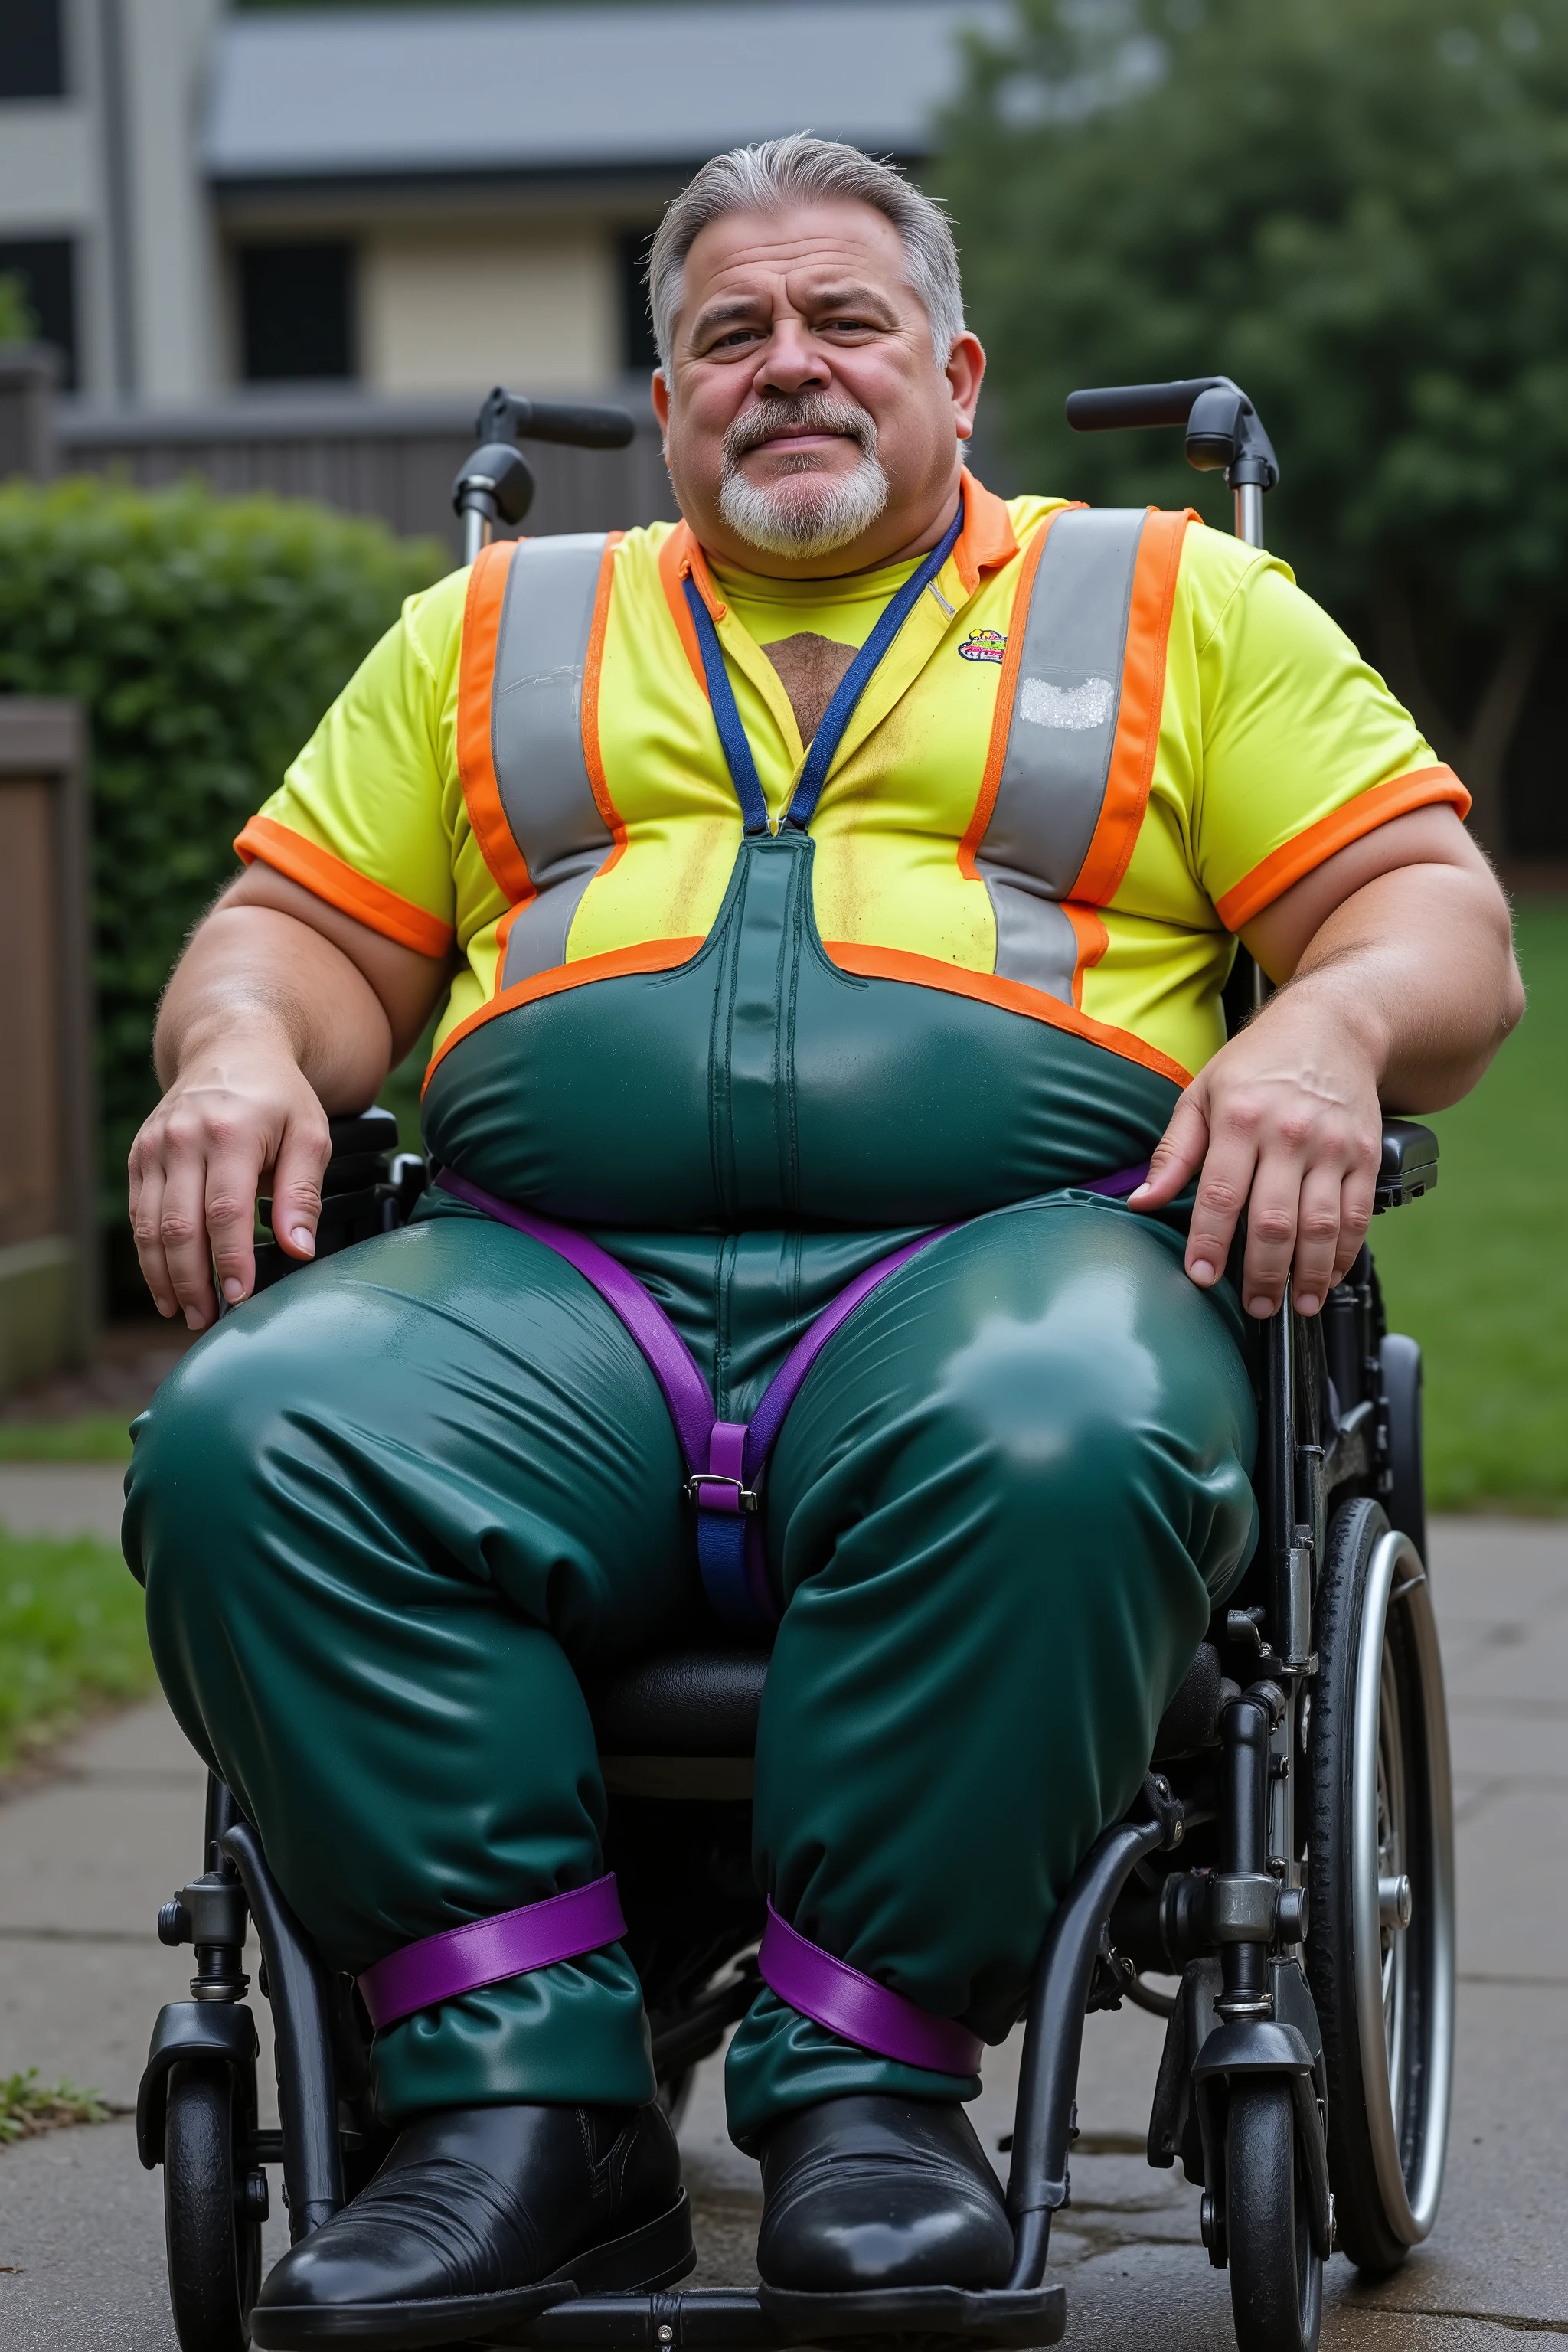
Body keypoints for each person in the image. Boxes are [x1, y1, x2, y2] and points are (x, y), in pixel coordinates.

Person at [123, 134, 1521, 2347]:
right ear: (667, 401)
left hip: (1009, 1264)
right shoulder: (496, 633)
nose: (788, 366)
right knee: (249, 1439)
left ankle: (868, 2091)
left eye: (844, 321)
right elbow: (291, 934)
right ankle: (523, 2116)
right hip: (548, 1291)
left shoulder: (1174, 607)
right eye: (731, 335)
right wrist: (233, 1055)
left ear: (955, 376)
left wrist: (1330, 1031)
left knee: (1060, 1430)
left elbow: (1435, 920)